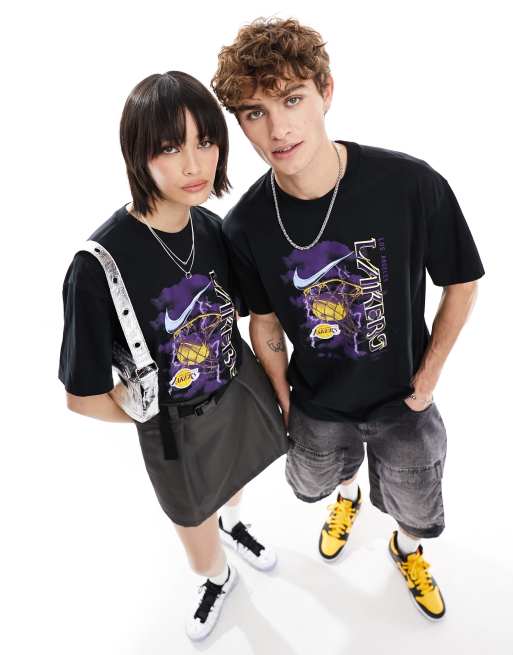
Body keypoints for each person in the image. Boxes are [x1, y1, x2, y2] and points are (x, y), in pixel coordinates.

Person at [212, 17, 485, 621]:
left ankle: (405, 550)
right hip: (318, 402)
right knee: (314, 482)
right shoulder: (245, 225)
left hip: (402, 399)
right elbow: (265, 323)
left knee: (417, 504)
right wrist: (285, 400)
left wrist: (429, 378)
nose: (278, 129)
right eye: (255, 112)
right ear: (240, 123)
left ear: (326, 91)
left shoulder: (409, 184)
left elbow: (462, 280)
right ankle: (349, 494)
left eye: (292, 99)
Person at [58, 70, 288, 641]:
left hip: (237, 389)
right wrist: (154, 415)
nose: (194, 164)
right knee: (194, 524)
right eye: (169, 147)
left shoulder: (210, 226)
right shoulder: (97, 266)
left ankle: (234, 523)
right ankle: (217, 577)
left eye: (205, 141)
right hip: (174, 428)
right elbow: (82, 397)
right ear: (138, 154)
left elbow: (245, 312)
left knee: (235, 477)